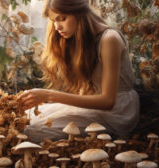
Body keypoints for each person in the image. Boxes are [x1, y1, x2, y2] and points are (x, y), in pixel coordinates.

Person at [17, 0, 139, 143]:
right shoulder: (79, 38)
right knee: (24, 117)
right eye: (53, 21)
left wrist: (48, 95)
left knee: (30, 130)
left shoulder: (109, 39)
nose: (57, 27)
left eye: (62, 18)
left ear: (80, 12)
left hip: (117, 112)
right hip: (90, 105)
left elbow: (108, 101)